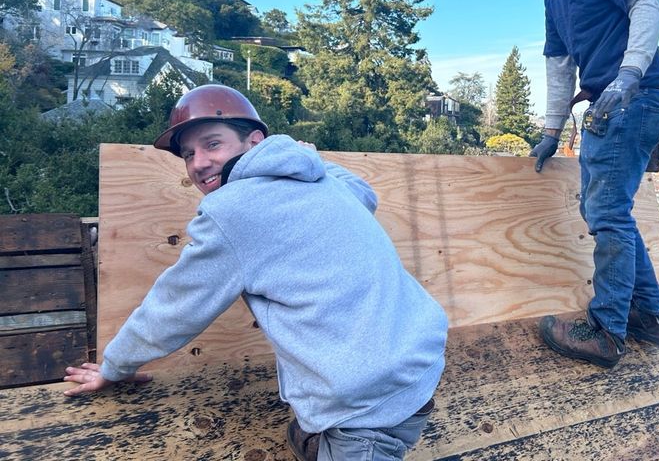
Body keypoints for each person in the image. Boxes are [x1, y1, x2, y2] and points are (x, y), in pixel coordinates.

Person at [63, 84, 448, 461]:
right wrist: (311, 159)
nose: (198, 163)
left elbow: (174, 307)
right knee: (309, 435)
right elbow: (365, 193)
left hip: (366, 411)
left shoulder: (230, 210)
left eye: (213, 144)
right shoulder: (318, 180)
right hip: (421, 359)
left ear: (254, 142)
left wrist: (115, 367)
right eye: (187, 154)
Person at [520, 0, 659, 369]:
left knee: (606, 215)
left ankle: (607, 330)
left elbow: (646, 6)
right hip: (616, 103)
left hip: (635, 98)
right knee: (611, 214)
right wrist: (549, 131)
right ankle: (649, 317)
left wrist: (629, 74)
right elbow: (560, 65)